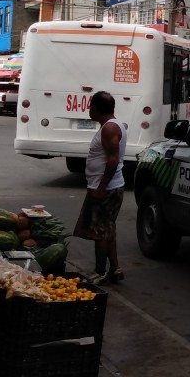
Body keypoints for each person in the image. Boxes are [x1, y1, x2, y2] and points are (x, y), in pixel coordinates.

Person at [73, 91, 128, 285]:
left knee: (100, 232)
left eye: (90, 106)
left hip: (106, 188)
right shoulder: (111, 126)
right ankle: (115, 269)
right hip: (107, 186)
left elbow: (112, 161)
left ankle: (100, 272)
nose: (89, 110)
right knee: (107, 229)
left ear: (96, 108)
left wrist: (101, 187)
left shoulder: (109, 128)